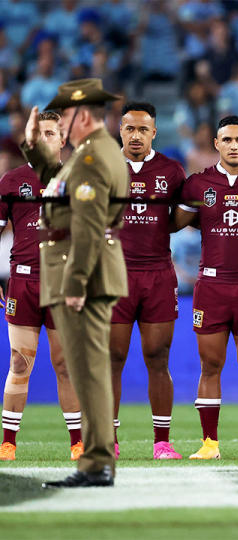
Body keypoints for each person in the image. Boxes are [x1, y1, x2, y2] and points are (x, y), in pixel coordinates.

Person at [21, 78, 129, 488]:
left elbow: (86, 225)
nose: (61, 124)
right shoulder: (90, 153)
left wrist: (76, 281)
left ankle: (98, 463)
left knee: (89, 373)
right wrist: (34, 147)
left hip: (84, 272)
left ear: (82, 115)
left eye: (64, 116)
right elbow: (57, 183)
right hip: (91, 269)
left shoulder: (91, 159)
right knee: (89, 371)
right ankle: (96, 460)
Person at [172, 115, 238, 461]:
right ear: (216, 144)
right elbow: (170, 225)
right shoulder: (197, 184)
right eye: (227, 140)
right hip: (212, 286)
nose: (234, 145)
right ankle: (209, 443)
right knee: (210, 365)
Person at [0, 110, 84, 462]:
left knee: (65, 365)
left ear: (62, 139)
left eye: (51, 133)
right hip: (23, 280)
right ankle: (8, 443)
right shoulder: (11, 181)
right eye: (38, 133)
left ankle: (78, 443)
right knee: (19, 364)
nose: (43, 139)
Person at [109, 101, 186, 460]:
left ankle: (162, 442)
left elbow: (182, 217)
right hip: (114, 274)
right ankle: (108, 440)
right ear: (119, 131)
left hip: (157, 275)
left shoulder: (171, 171)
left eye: (143, 129)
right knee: (112, 357)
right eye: (129, 128)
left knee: (158, 357)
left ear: (154, 132)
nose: (135, 135)